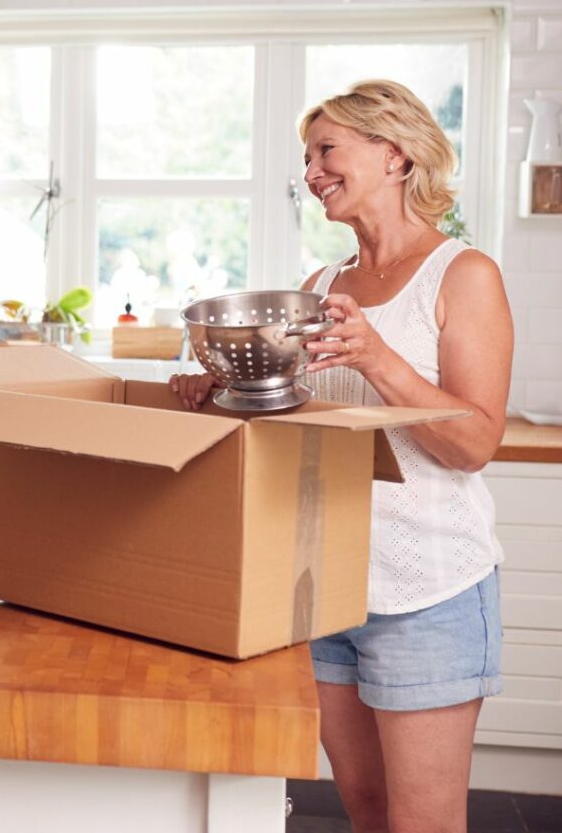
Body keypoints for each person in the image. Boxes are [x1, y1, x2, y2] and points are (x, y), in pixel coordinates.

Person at [171, 79, 513, 833]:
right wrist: (221, 386)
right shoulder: (317, 288)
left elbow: (475, 442)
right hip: (324, 585)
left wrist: (381, 358)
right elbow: (295, 422)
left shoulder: (463, 275)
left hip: (429, 588)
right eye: (307, 156)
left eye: (327, 150)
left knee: (422, 822)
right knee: (366, 809)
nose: (312, 170)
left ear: (394, 155)